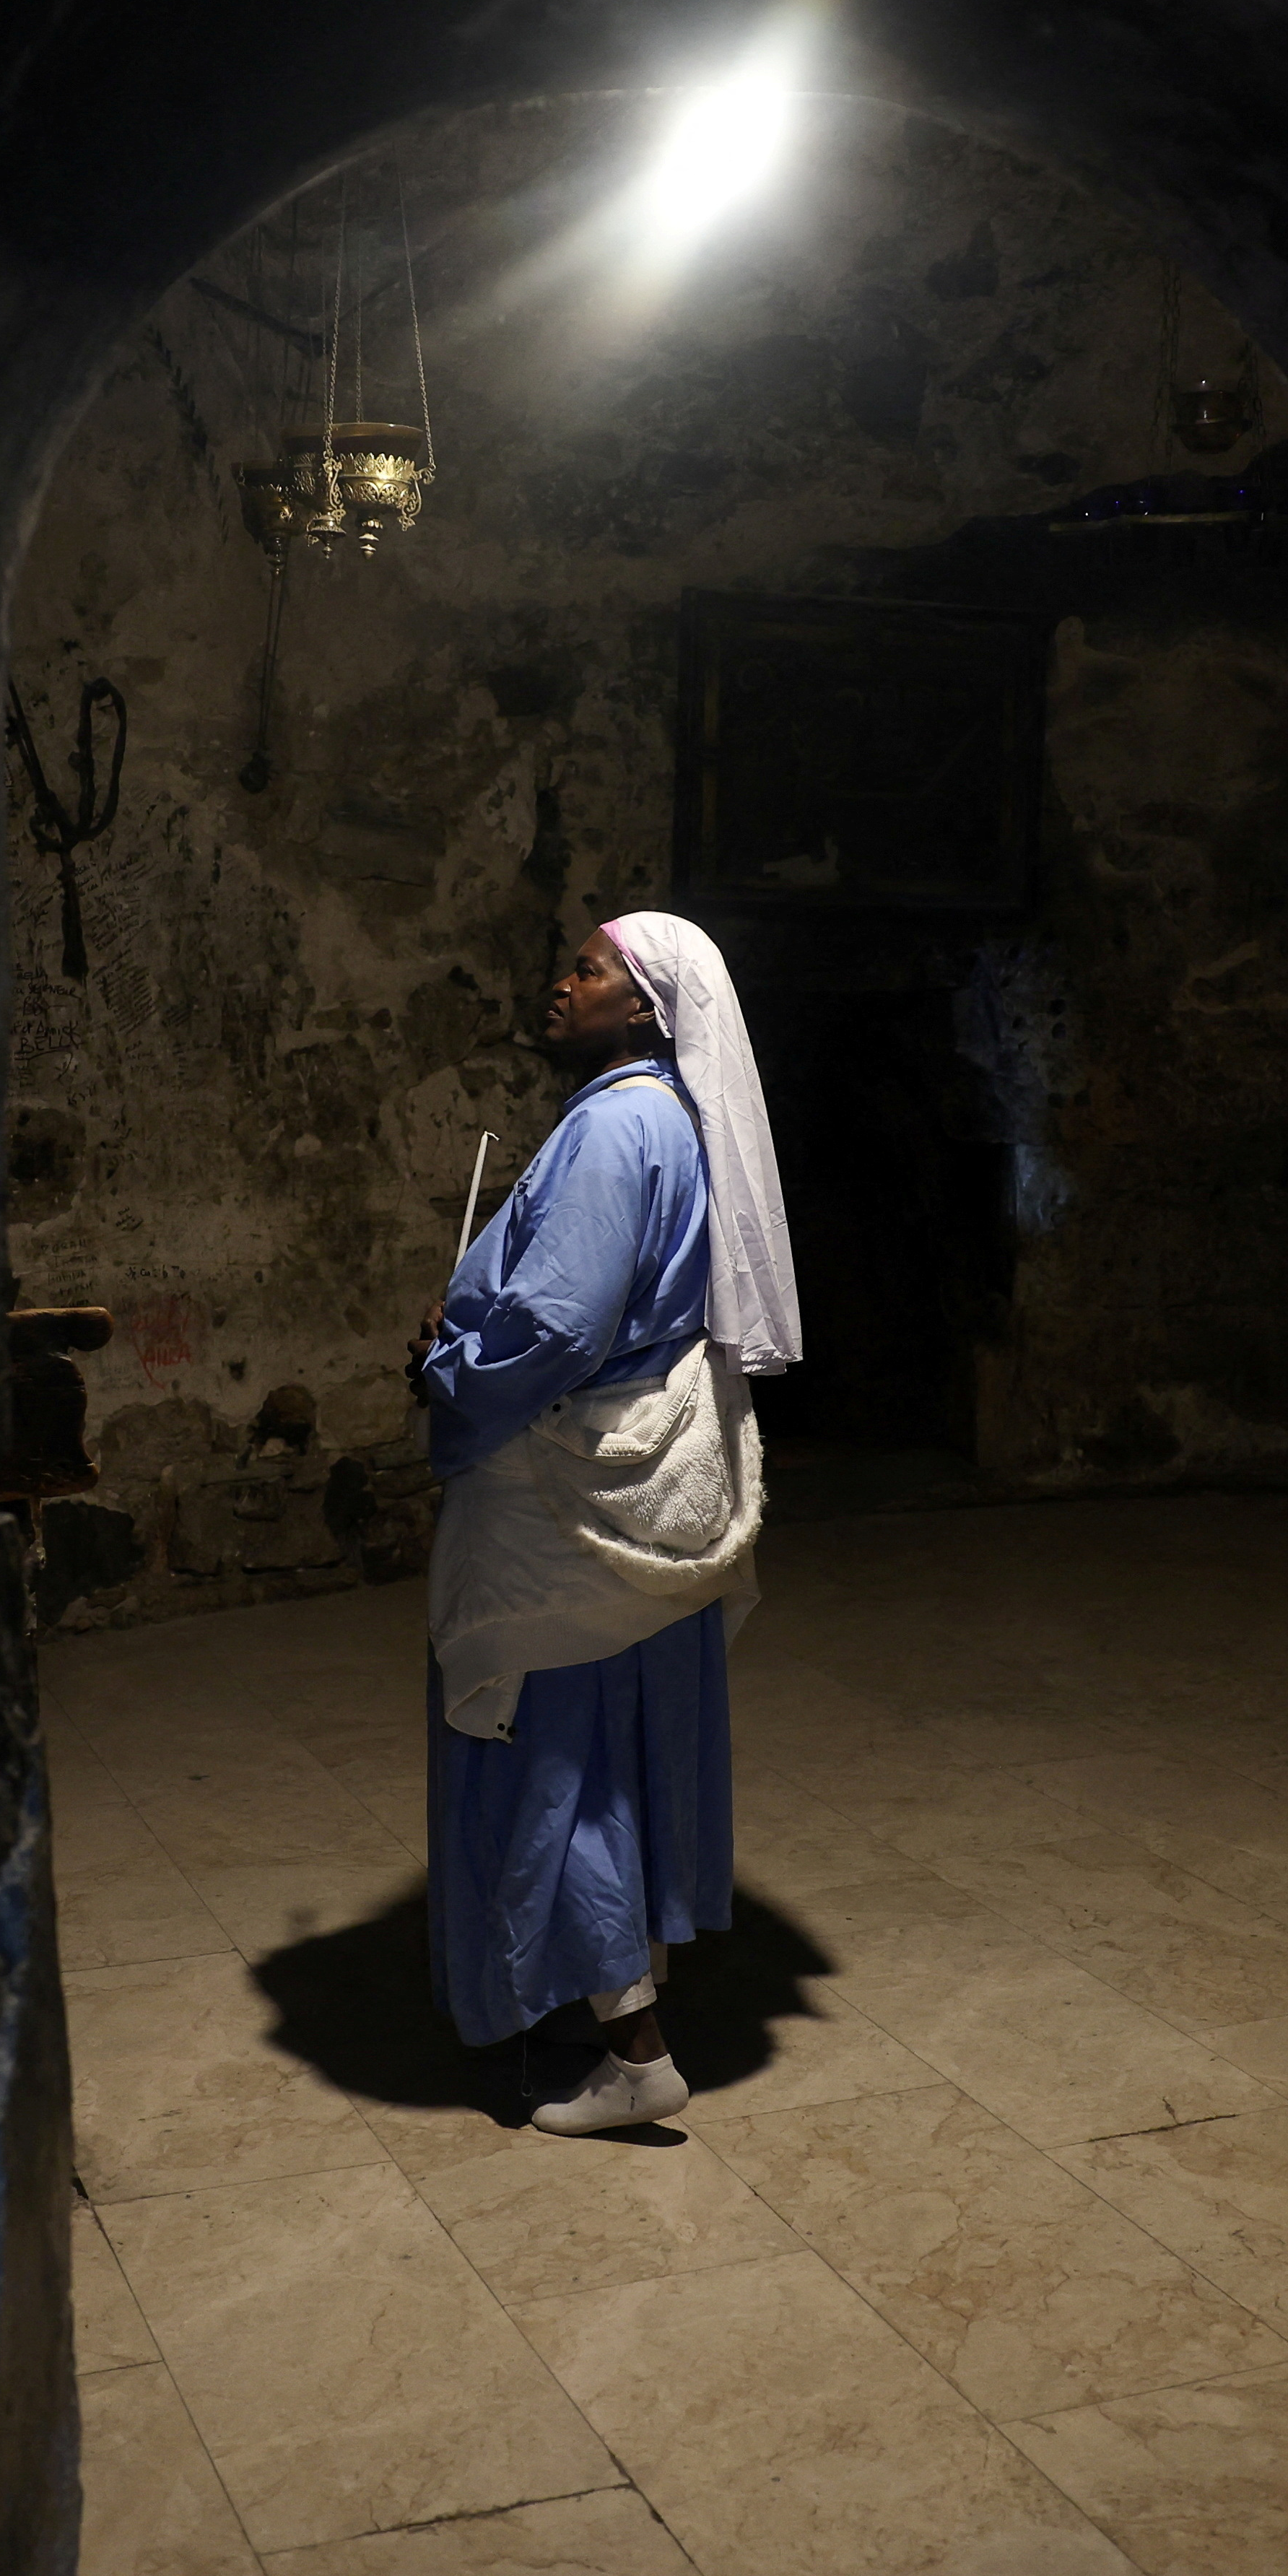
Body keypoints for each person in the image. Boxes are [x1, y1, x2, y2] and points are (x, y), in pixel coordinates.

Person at [406, 913, 801, 2136]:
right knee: (611, 1747)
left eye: (585, 969)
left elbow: (563, 1324)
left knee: (550, 1756)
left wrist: (450, 1365)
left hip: (566, 1495)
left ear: (644, 1008)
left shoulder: (617, 1123)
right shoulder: (670, 1122)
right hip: (643, 1473)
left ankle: (631, 2048)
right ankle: (603, 1982)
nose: (557, 982)